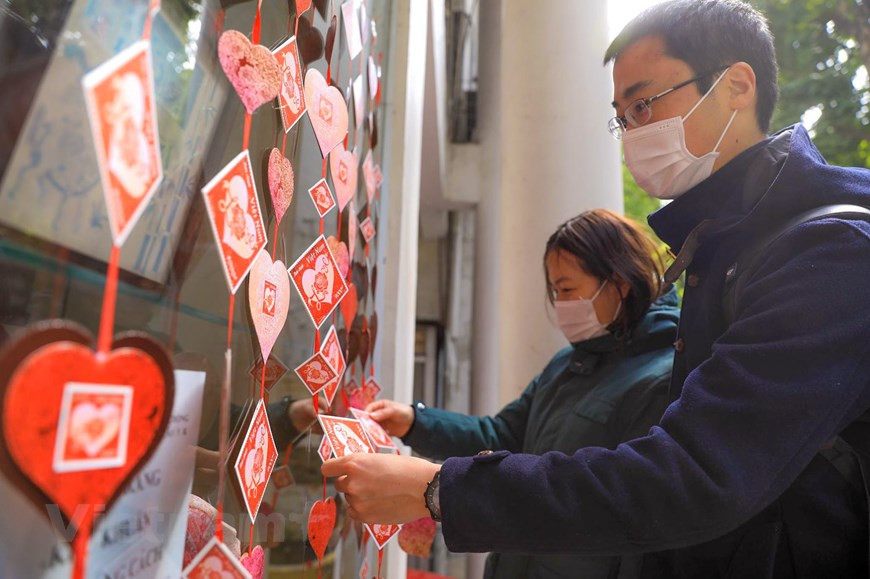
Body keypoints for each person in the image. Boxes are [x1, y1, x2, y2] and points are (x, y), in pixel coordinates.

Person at [323, 1, 870, 577]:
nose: (632, 133)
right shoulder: (722, 251)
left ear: (736, 86)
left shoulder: (828, 251)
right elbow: (507, 433)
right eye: (623, 117)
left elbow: (693, 475)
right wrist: (417, 427)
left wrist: (443, 492)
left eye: (644, 104)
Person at [366, 209, 679, 578]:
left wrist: (435, 488)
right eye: (554, 291)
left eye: (567, 289)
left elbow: (626, 513)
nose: (560, 303)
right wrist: (416, 422)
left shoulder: (662, 380)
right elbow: (501, 437)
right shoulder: (567, 365)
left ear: (620, 284)